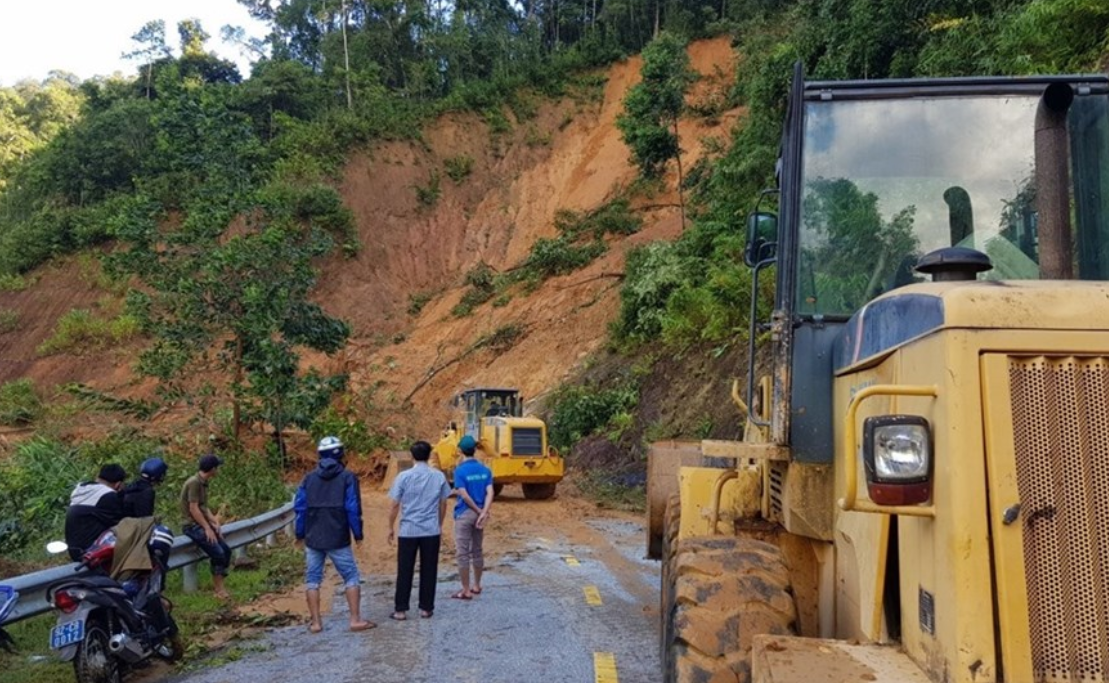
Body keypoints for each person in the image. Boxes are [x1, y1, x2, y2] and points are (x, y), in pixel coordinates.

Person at [293, 436, 374, 633]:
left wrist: (300, 533)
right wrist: (358, 534)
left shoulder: (308, 478)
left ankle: (315, 623)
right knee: (351, 576)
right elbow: (352, 508)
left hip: (313, 536)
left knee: (312, 579)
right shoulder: (348, 477)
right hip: (338, 535)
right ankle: (355, 619)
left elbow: (300, 508)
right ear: (341, 454)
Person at [387, 440, 451, 620]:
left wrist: (390, 527)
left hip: (408, 530)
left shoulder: (403, 477)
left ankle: (400, 609)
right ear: (430, 454)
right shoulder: (438, 476)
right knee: (429, 568)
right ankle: (426, 608)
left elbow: (394, 505)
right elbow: (444, 502)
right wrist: (439, 523)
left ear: (411, 455)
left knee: (405, 569)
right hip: (430, 529)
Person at [180, 454, 232, 599]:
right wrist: (207, 528)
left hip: (201, 524)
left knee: (226, 551)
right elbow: (193, 508)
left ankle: (220, 584)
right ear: (213, 469)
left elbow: (203, 506)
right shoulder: (194, 483)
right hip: (192, 526)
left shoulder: (202, 482)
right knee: (218, 553)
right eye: (217, 467)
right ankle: (218, 590)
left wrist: (214, 522)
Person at [451, 435, 493, 600]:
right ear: (475, 450)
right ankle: (477, 584)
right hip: (481, 514)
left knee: (462, 552)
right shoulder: (485, 470)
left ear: (460, 450)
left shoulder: (459, 471)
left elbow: (464, 494)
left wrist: (476, 509)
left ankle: (465, 589)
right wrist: (483, 512)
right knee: (477, 550)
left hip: (464, 513)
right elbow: (490, 492)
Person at [64, 464, 127, 561]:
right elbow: (120, 523)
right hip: (92, 552)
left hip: (74, 551)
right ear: (118, 484)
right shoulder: (108, 495)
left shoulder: (80, 490)